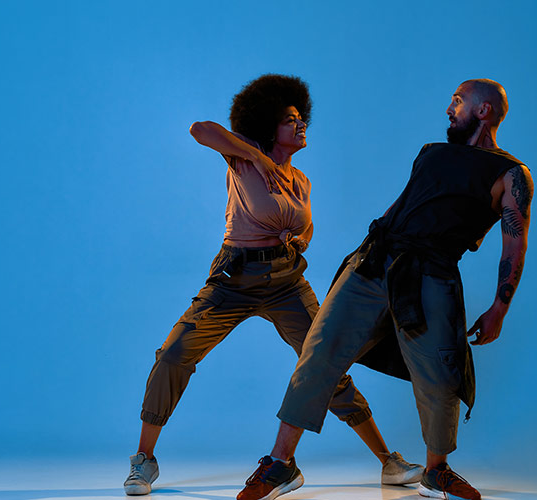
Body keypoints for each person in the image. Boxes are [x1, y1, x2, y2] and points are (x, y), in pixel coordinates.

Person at [124, 74, 423, 496]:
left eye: (303, 119)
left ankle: (388, 462)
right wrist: (259, 158)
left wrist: (299, 239)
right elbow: (200, 130)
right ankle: (144, 461)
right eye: (290, 119)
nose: (301, 126)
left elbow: (308, 227)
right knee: (174, 353)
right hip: (233, 280)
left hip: (286, 284)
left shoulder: (300, 180)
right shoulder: (242, 159)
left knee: (325, 363)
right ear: (267, 125)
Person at [237, 78, 534, 500]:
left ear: (483, 111)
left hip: (431, 275)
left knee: (440, 375)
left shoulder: (511, 174)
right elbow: (400, 206)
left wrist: (499, 308)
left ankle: (436, 470)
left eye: (458, 101)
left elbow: (514, 244)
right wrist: (357, 259)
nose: (449, 108)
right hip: (374, 263)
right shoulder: (431, 154)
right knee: (319, 354)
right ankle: (281, 465)